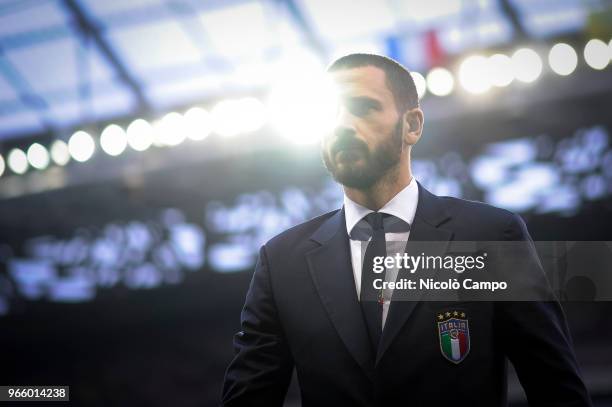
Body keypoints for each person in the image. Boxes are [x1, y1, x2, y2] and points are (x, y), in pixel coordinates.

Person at [221, 53, 591, 406]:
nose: (343, 125)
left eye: (364, 107)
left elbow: (555, 387)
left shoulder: (491, 235)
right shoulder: (282, 260)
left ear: (412, 125)